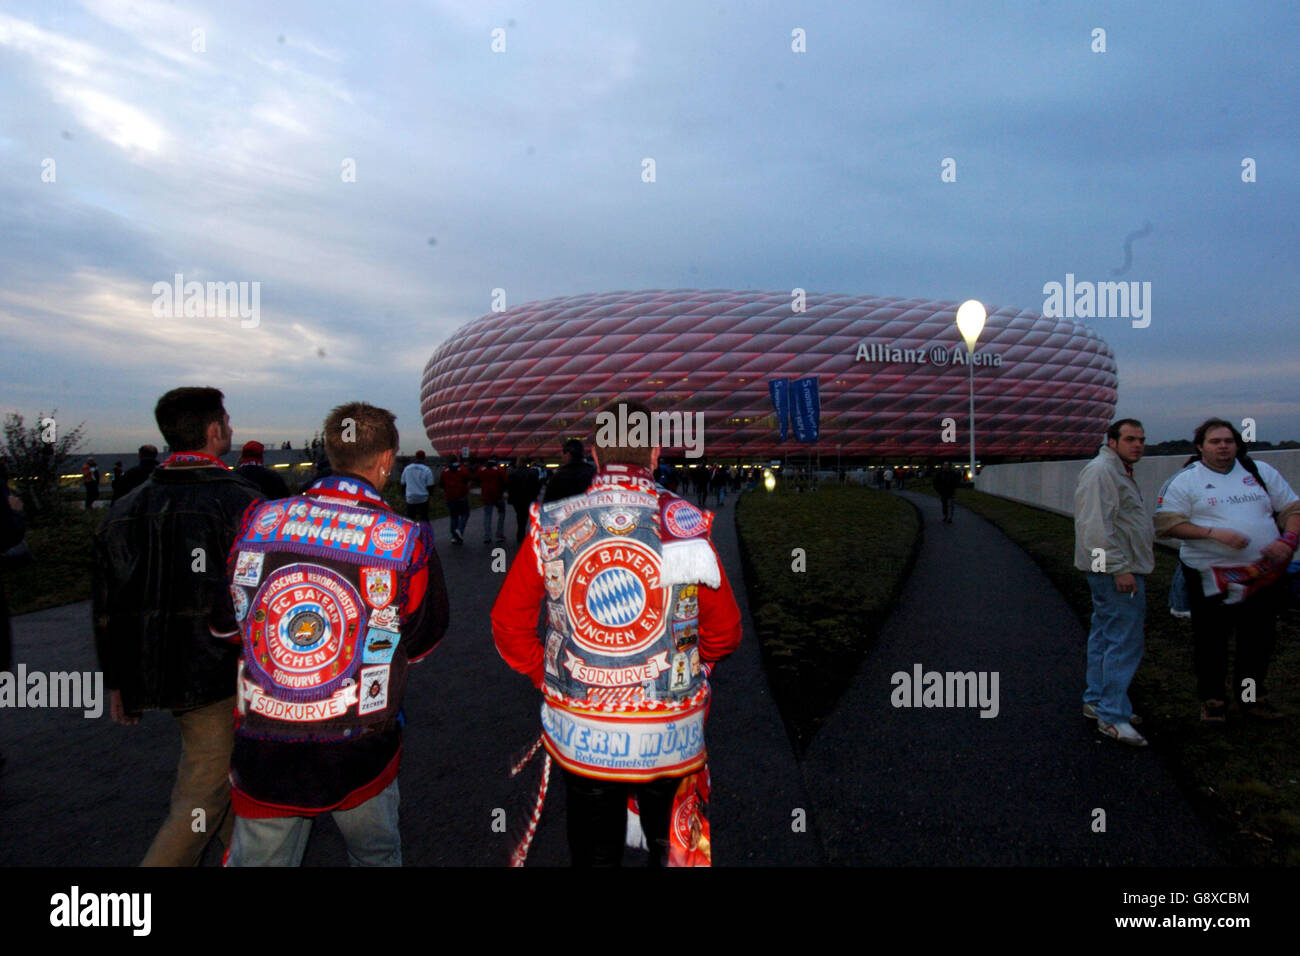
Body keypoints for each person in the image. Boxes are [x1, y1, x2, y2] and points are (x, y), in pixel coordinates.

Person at [492, 399, 743, 867]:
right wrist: (698, 667)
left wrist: (545, 678)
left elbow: (508, 624)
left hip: (582, 731)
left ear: (594, 452)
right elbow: (726, 631)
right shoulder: (682, 522)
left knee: (594, 854)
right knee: (668, 850)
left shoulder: (550, 522)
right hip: (669, 734)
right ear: (654, 455)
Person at [216, 402, 448, 866]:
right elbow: (422, 640)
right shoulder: (406, 540)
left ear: (329, 451)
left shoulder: (256, 522)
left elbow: (225, 626)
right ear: (387, 459)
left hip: (265, 741)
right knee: (376, 855)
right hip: (359, 744)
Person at [92, 387, 264, 864]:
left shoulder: (124, 507)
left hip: (162, 671)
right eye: (226, 422)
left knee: (225, 784)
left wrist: (119, 680)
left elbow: (105, 604)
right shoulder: (242, 503)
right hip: (221, 675)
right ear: (213, 431)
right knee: (201, 798)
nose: (229, 429)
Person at [1154, 418, 1300, 723]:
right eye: (1215, 442)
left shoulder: (1258, 472)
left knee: (1257, 640)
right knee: (1211, 641)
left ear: (1237, 444)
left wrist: (1288, 541)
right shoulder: (1187, 480)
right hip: (1211, 577)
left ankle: (1250, 698)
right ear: (1200, 447)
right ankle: (1213, 700)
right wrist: (1214, 534)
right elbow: (1166, 525)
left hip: (1260, 574)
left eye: (1228, 441)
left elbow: (1291, 509)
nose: (1223, 447)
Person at [1073, 418, 1154, 747]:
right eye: (1131, 439)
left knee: (1106, 635)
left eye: (1142, 439)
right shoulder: (1102, 472)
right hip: (1115, 570)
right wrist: (1119, 568)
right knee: (1124, 640)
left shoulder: (1115, 470)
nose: (1138, 445)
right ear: (1112, 440)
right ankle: (1112, 716)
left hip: (1111, 567)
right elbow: (1095, 526)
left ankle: (1098, 701)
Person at [543, 438, 595, 504]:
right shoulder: (593, 473)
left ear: (568, 454)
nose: (561, 456)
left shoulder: (559, 477)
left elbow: (548, 503)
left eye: (562, 453)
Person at [506, 457, 541, 544]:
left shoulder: (513, 473)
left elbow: (510, 487)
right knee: (524, 516)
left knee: (520, 515)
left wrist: (510, 496)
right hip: (528, 498)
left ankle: (520, 532)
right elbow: (536, 486)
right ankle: (522, 532)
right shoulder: (532, 473)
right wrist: (535, 496)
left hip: (517, 498)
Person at [438, 455, 470, 544]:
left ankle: (454, 537)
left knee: (453, 516)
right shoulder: (463, 469)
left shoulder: (445, 471)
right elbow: (467, 480)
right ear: (458, 460)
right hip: (461, 496)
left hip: (450, 497)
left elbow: (441, 484)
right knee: (465, 514)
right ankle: (459, 530)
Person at [475, 459, 507, 544]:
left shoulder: (482, 469)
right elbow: (505, 480)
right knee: (501, 514)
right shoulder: (499, 470)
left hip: (486, 496)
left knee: (487, 516)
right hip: (498, 495)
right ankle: (499, 533)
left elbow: (476, 478)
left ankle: (487, 536)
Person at [401, 450, 435, 521]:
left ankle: (411, 531)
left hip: (410, 498)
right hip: (423, 498)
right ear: (424, 458)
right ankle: (425, 531)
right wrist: (430, 494)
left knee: (410, 519)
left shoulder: (407, 468)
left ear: (415, 457)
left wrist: (404, 494)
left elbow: (403, 483)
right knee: (424, 518)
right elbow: (430, 485)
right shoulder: (427, 470)